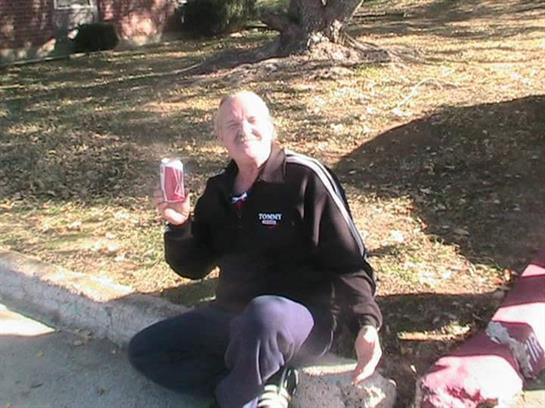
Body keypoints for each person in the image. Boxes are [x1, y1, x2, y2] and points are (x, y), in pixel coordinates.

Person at [128, 91, 383, 408]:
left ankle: (238, 398)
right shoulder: (219, 191)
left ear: (271, 126)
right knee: (146, 350)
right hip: (233, 316)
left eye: (252, 120)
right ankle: (265, 381)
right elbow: (193, 268)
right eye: (232, 124)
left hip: (300, 322)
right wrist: (180, 226)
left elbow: (349, 261)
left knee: (264, 315)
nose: (244, 130)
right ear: (221, 137)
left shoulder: (305, 177)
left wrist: (366, 324)